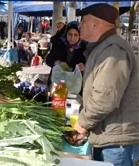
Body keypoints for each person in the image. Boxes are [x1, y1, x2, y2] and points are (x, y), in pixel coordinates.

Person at [74, 4, 139, 166]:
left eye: (83, 21)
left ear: (95, 24)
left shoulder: (113, 50)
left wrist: (82, 124)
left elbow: (104, 98)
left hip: (116, 142)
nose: (79, 25)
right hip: (109, 136)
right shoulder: (102, 48)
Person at [46, 21, 86, 86]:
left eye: (76, 35)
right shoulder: (59, 44)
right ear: (66, 34)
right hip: (57, 83)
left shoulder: (84, 48)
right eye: (70, 34)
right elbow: (48, 60)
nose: (72, 38)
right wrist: (57, 63)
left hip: (73, 85)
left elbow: (87, 64)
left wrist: (83, 67)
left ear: (80, 36)